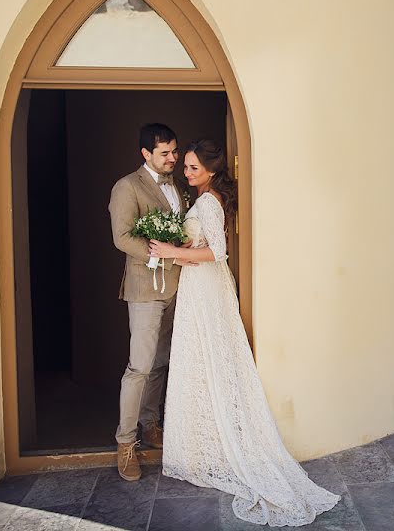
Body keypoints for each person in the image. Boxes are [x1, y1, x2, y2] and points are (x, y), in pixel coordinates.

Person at [149, 139, 340, 526]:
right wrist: (183, 242)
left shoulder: (207, 201)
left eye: (193, 168)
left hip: (204, 286)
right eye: (184, 167)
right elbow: (203, 242)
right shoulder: (207, 199)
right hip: (203, 285)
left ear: (212, 171)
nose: (186, 173)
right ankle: (202, 445)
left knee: (205, 359)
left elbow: (217, 252)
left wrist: (174, 253)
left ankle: (213, 448)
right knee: (203, 360)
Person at [108, 123, 189, 482]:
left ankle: (151, 424)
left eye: (174, 151)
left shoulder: (178, 186)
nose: (173, 158)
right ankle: (126, 443)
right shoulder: (127, 187)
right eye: (165, 153)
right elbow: (122, 237)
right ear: (146, 154)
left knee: (160, 362)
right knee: (139, 367)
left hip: (177, 287)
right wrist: (162, 255)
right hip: (145, 288)